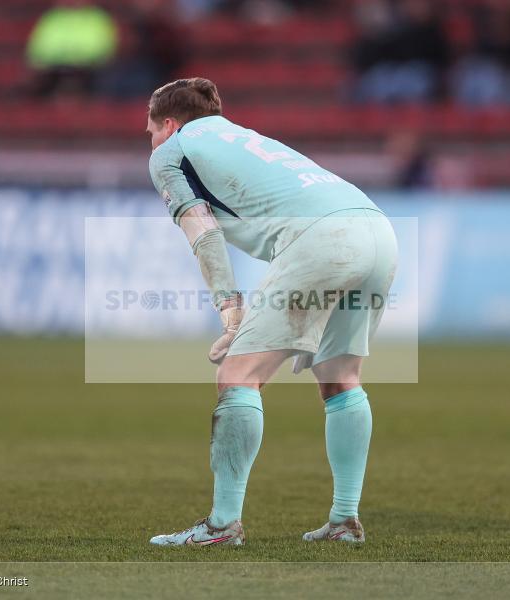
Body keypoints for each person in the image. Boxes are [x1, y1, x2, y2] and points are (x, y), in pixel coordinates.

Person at [144, 78, 397, 546]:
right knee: (341, 377)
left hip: (324, 239)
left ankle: (222, 526)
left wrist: (228, 309)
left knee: (237, 377)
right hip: (377, 229)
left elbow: (203, 234)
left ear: (171, 124)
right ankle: (344, 520)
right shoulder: (246, 137)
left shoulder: (170, 151)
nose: (152, 141)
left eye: (151, 131)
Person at [26, 0, 118, 98]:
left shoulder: (98, 18)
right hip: (56, 71)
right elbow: (39, 52)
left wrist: (76, 58)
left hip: (89, 71)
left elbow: (103, 50)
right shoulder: (52, 18)